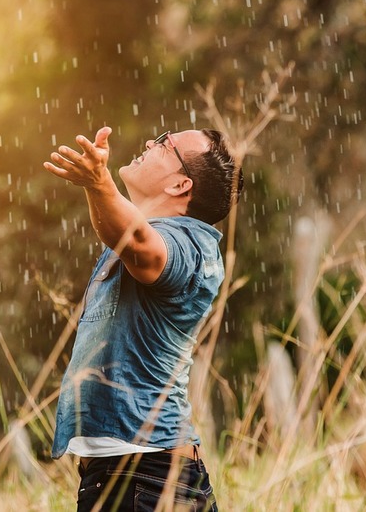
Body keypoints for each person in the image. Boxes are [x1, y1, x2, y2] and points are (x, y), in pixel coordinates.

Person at [43, 125, 242, 511]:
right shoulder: (151, 233)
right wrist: (94, 185)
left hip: (148, 478)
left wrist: (99, 181)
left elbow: (140, 247)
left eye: (166, 144)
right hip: (128, 477)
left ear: (180, 185)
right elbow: (120, 233)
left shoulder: (191, 244)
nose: (151, 142)